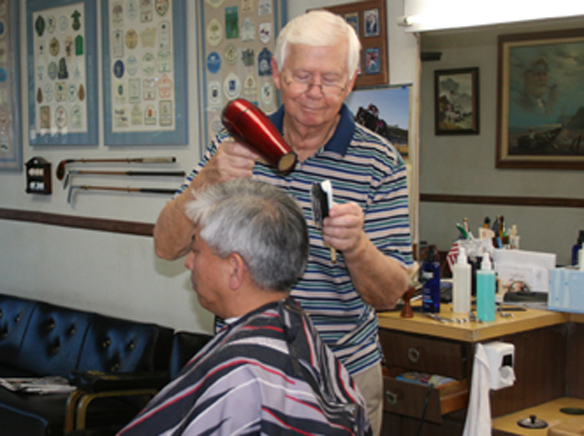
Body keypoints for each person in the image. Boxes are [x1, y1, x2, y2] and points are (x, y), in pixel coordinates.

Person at [153, 10, 413, 434]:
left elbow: (391, 294)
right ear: (276, 74)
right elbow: (166, 247)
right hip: (245, 368)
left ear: (350, 82)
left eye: (330, 79)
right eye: (301, 76)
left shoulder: (380, 162)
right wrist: (208, 180)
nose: (314, 92)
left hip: (344, 375)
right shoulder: (235, 145)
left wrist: (357, 247)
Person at [118, 179, 371, 435]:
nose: (189, 263)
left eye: (196, 251)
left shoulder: (244, 376)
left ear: (235, 269)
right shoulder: (298, 334)